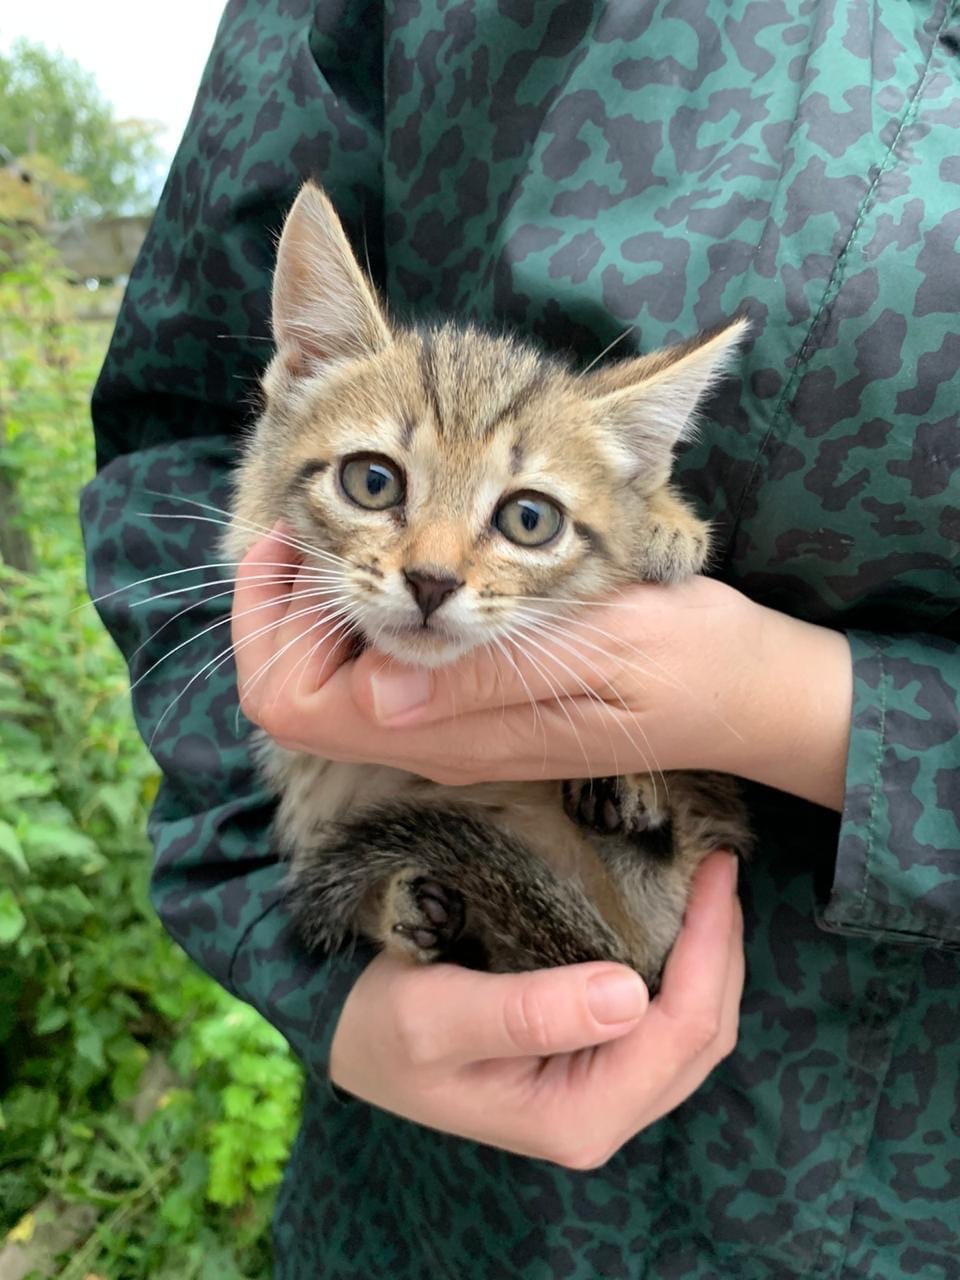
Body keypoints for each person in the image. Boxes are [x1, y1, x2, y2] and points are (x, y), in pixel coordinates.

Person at [83, 1, 960, 1276]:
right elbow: (173, 440)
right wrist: (325, 993)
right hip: (417, 1193)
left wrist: (795, 701)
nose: (433, 568)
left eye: (519, 517)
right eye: (377, 484)